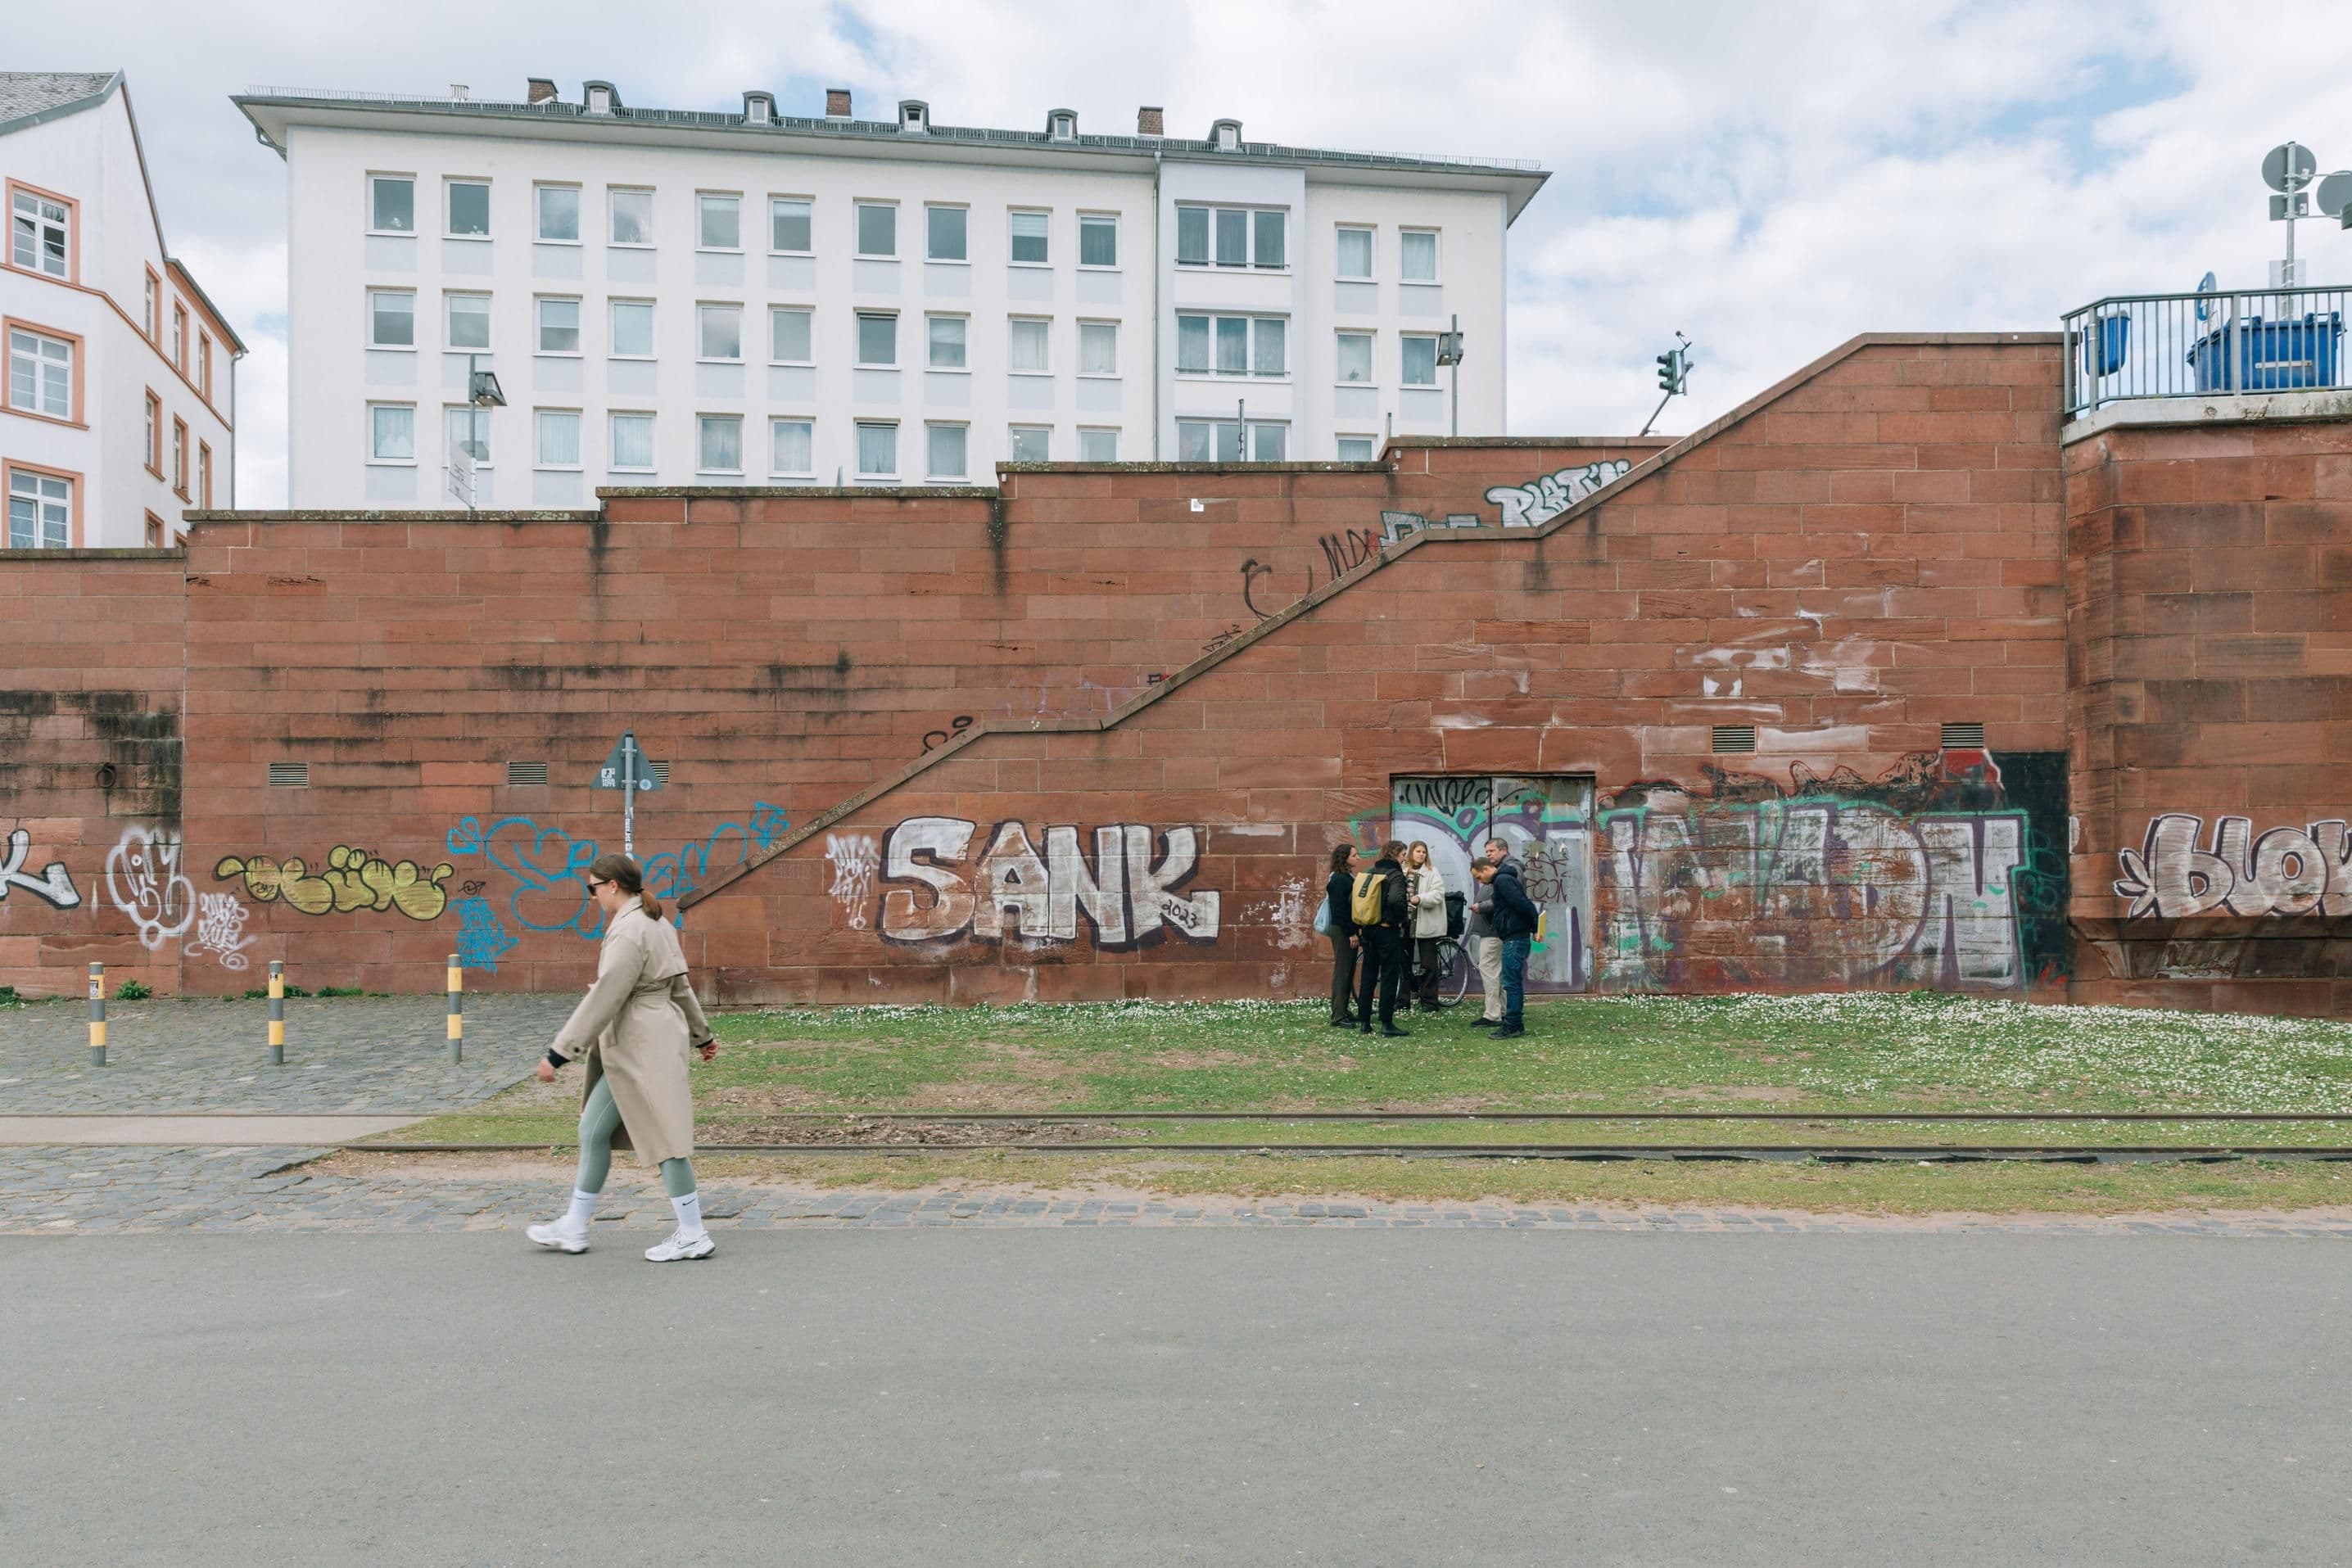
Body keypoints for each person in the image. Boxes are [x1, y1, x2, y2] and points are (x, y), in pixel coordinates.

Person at [526, 852, 721, 1263]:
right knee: (593, 1131)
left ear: (613, 885)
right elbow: (679, 986)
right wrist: (702, 1035)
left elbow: (606, 997)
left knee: (666, 1137)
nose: (591, 896)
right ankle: (575, 1226)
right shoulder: (657, 922)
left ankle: (692, 1233)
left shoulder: (629, 929)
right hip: (649, 1039)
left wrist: (558, 1054)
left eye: (592, 888)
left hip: (640, 1045)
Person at [1353, 838, 1413, 1038]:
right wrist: (1403, 918)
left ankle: (1365, 1022)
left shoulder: (1370, 872)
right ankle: (1387, 1023)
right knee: (1389, 976)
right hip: (1387, 930)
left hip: (1369, 929)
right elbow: (1396, 899)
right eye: (1404, 854)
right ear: (1396, 854)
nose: (1405, 859)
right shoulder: (1395, 874)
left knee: (1369, 976)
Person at [1486, 837, 1541, 1039]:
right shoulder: (1503, 877)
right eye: (1487, 852)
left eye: (1491, 851)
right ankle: (1513, 1023)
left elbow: (1524, 904)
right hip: (1514, 936)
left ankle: (1514, 1024)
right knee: (1511, 981)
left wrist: (1536, 926)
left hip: (1515, 938)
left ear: (1503, 850)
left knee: (1511, 983)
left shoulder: (1504, 879)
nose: (1489, 855)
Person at [1402, 841, 1448, 1012]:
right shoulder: (1402, 870)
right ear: (1411, 853)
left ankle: (1429, 1001)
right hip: (1405, 923)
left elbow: (1438, 894)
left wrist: (1420, 899)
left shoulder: (1432, 872)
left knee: (1429, 964)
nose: (1421, 854)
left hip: (1426, 923)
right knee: (1403, 963)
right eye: (1418, 851)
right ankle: (1403, 999)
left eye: (1424, 852)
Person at [1323, 843, 1360, 1028]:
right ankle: (1338, 1015)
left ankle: (1343, 1011)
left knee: (1348, 970)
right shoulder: (1339, 879)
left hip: (1345, 929)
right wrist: (1351, 933)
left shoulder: (1346, 877)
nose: (1357, 858)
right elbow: (1340, 910)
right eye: (1354, 855)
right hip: (1343, 930)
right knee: (1342, 971)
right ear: (1344, 857)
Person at [1466, 859, 1504, 1028]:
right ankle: (1501, 1010)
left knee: (1489, 971)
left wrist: (1481, 906)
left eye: (1478, 876)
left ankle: (1492, 1014)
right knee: (1495, 972)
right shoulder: (1498, 880)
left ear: (1487, 869)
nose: (1479, 881)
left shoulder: (1500, 881)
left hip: (1492, 932)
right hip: (1491, 931)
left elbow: (1501, 902)